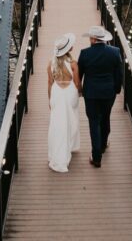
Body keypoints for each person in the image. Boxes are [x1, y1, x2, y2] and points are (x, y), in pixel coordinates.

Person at [77, 25, 123, 168]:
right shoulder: (115, 52)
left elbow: (79, 74)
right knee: (106, 116)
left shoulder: (84, 53)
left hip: (91, 93)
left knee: (94, 121)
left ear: (93, 39)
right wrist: (116, 90)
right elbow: (119, 74)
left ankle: (96, 156)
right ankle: (103, 144)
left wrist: (80, 90)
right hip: (108, 93)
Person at [47, 33, 81, 172]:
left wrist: (50, 100)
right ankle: (70, 145)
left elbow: (50, 83)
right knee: (71, 120)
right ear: (68, 50)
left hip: (56, 92)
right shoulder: (73, 64)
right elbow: (77, 82)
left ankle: (57, 152)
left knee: (57, 123)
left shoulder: (50, 64)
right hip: (69, 93)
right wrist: (80, 92)